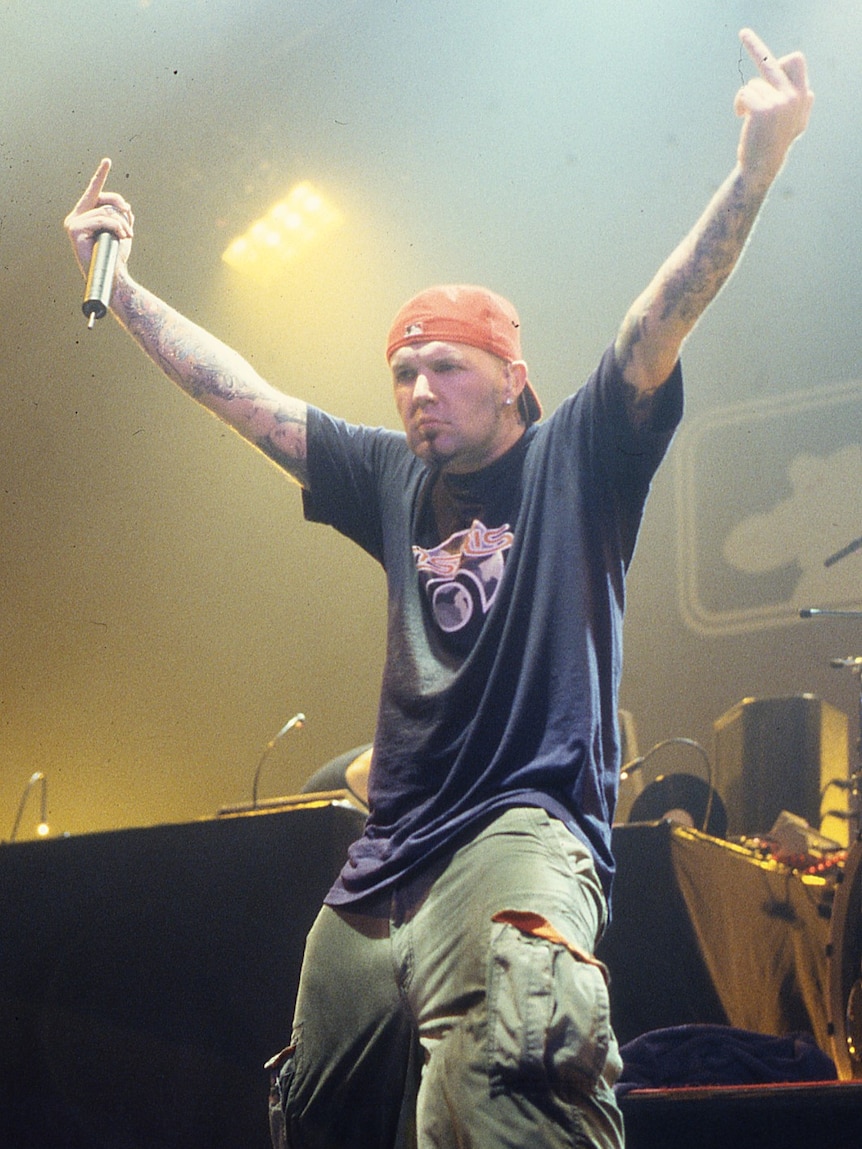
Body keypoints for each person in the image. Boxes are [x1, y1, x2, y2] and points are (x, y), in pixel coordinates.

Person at [64, 27, 812, 1149]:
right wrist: (123, 291)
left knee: (500, 1089)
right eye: (402, 371)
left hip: (519, 832)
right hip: (384, 863)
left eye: (444, 366)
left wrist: (754, 169)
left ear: (512, 376)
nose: (417, 389)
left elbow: (651, 328)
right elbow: (243, 396)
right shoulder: (389, 479)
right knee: (318, 1113)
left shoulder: (581, 455)